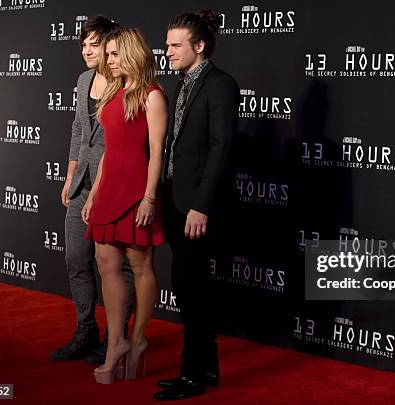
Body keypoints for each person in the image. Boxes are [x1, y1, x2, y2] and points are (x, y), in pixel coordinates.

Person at [154, 10, 239, 401]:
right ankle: (205, 365)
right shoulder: (183, 81)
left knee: (192, 286)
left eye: (175, 45)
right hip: (175, 199)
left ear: (199, 46)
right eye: (168, 44)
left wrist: (201, 206)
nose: (167, 51)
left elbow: (222, 149)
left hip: (196, 206)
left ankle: (193, 374)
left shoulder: (220, 84)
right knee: (188, 286)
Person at [82, 27, 168, 384]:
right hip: (109, 189)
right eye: (108, 54)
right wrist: (92, 192)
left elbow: (156, 153)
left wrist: (149, 197)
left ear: (133, 53)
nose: (109, 60)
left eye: (116, 54)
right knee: (106, 264)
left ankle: (137, 340)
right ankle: (115, 342)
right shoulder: (113, 93)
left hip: (136, 192)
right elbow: (107, 153)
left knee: (141, 265)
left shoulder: (152, 96)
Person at [51, 15, 135, 365]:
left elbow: (126, 142)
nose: (86, 49)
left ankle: (118, 335)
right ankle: (86, 330)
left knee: (116, 265)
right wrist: (70, 176)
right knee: (75, 258)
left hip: (114, 183)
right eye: (83, 43)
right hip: (83, 182)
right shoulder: (83, 79)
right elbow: (77, 132)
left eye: (94, 44)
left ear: (111, 47)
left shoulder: (127, 83)